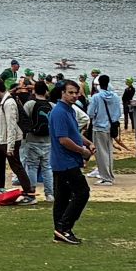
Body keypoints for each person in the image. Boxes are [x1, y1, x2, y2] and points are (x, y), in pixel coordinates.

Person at [46, 79, 91, 243]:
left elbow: (74, 133)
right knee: (82, 192)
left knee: (62, 198)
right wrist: (82, 151)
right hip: (64, 162)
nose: (74, 95)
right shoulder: (59, 112)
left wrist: (88, 143)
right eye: (70, 92)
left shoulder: (70, 110)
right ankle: (64, 228)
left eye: (76, 92)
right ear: (62, 93)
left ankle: (59, 232)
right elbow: (63, 139)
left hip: (67, 161)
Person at [87, 75, 121, 186]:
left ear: (99, 84)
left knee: (101, 153)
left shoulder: (96, 97)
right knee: (109, 152)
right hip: (111, 127)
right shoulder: (115, 97)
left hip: (99, 127)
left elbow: (90, 113)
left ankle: (106, 178)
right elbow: (118, 113)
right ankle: (109, 176)